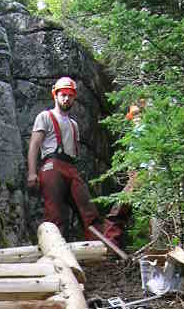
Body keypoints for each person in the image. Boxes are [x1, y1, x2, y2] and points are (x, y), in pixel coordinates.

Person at [26, 76, 125, 248]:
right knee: (54, 215)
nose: (66, 98)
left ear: (74, 97)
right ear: (55, 95)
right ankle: (54, 253)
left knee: (88, 212)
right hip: (51, 166)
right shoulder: (45, 116)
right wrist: (32, 173)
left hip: (71, 168)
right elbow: (34, 145)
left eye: (70, 95)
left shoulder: (74, 125)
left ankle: (98, 251)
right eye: (63, 94)